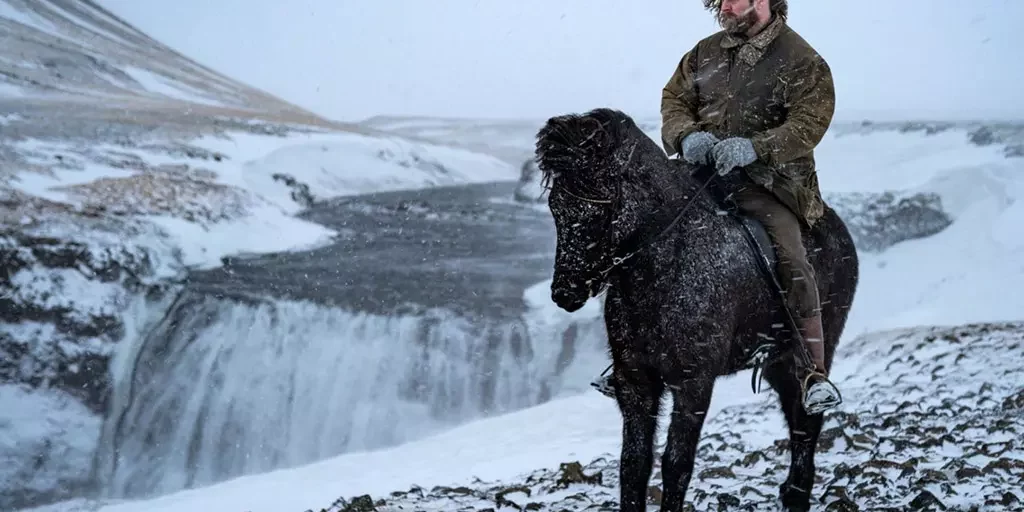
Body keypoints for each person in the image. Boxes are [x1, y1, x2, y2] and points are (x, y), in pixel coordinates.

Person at [590, 0, 841, 414]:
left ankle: (814, 373)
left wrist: (755, 149)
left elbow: (809, 123)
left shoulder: (802, 60)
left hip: (770, 183)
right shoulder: (704, 52)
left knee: (792, 258)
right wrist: (687, 137)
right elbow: (674, 100)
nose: (724, 7)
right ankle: (627, 360)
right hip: (698, 174)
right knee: (640, 233)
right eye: (719, 0)